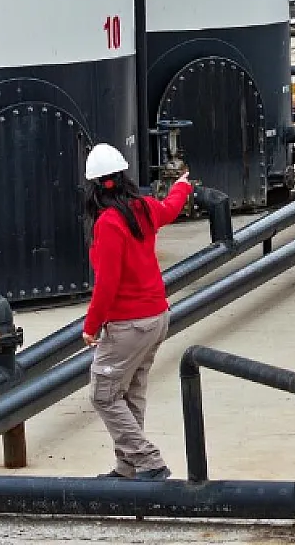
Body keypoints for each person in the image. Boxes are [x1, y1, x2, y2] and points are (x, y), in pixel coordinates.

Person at [82, 143, 193, 480]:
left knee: (103, 394)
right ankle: (128, 467)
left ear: (94, 187)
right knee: (130, 393)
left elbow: (107, 283)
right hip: (156, 318)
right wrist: (182, 186)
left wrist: (91, 325)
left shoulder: (108, 223)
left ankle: (149, 461)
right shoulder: (143, 208)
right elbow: (170, 208)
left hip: (129, 325)